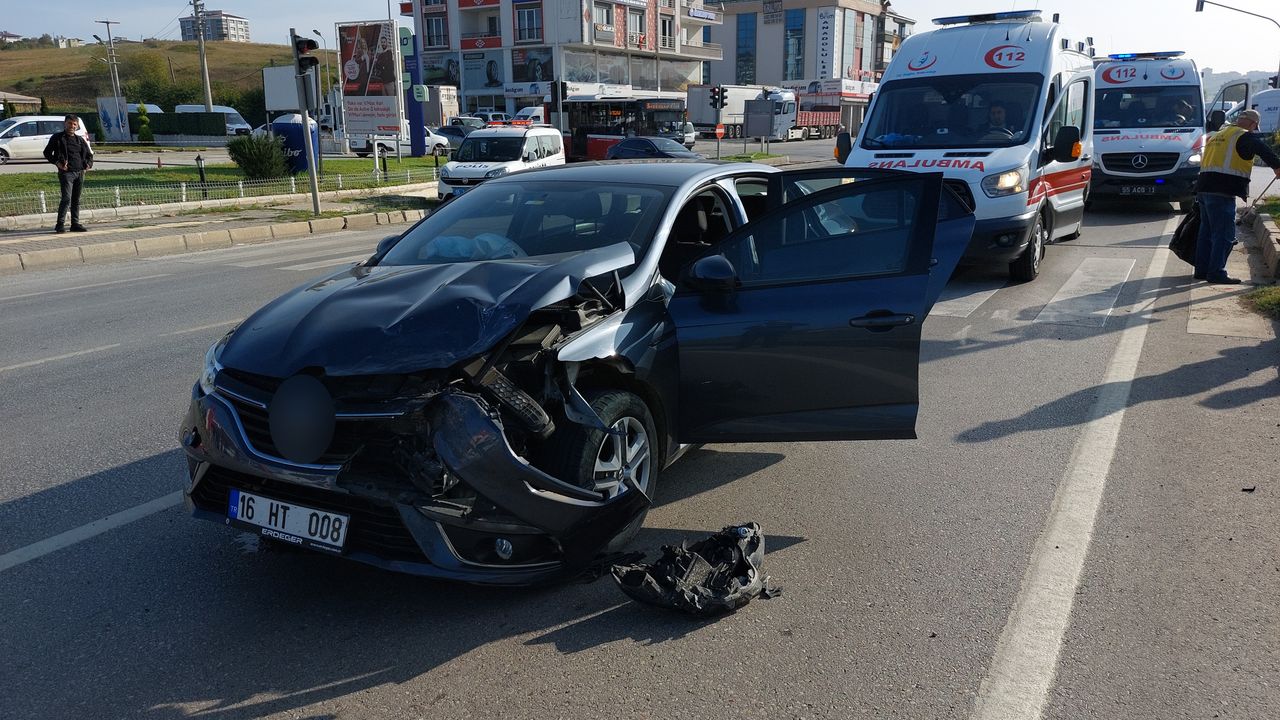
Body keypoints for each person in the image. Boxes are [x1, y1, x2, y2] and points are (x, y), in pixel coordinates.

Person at [1194, 108, 1280, 283]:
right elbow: (1264, 150)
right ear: (1253, 124)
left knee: (1206, 232)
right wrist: (1277, 167)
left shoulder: (1219, 134)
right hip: (1222, 191)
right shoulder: (1244, 136)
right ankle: (1216, 272)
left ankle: (1201, 270)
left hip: (1203, 188)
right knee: (1223, 234)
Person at [42, 115, 93, 233]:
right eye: (70, 123)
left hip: (80, 172)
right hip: (66, 173)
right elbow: (47, 152)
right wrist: (57, 163)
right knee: (66, 198)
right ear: (65, 124)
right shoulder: (57, 138)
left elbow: (89, 155)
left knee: (76, 199)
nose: (72, 126)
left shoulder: (80, 140)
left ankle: (75, 224)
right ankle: (60, 224)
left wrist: (88, 165)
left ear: (77, 126)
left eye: (74, 124)